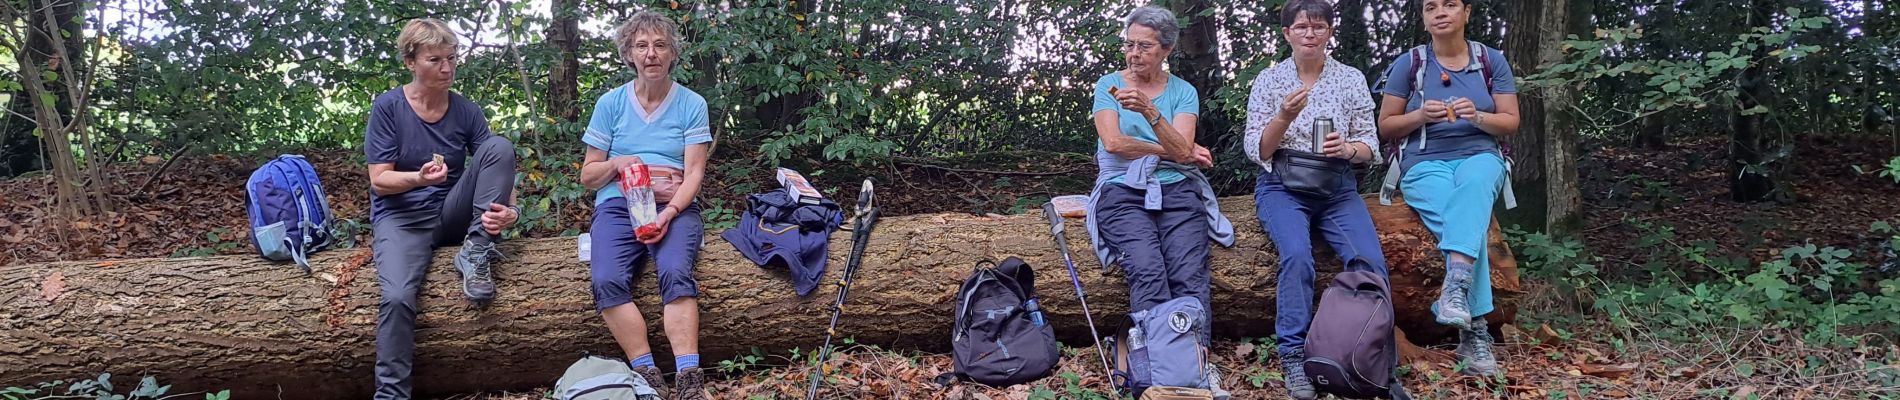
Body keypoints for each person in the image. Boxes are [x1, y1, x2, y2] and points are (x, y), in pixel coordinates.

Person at [1241, 1, 1391, 397]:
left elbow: (1370, 145)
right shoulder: (1269, 82)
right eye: (1302, 27)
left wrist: (1347, 149)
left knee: (1370, 261)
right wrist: (1284, 118)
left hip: (1337, 186)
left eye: (1318, 27)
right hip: (1283, 184)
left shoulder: (1350, 78)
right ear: (1287, 33)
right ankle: (1292, 354)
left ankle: (1368, 349)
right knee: (1297, 256)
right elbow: (1257, 150)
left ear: (1329, 33)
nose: (1310, 34)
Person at [365, 18, 520, 400]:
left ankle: (477, 249)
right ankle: (391, 394)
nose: (447, 68)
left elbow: (495, 164)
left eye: (452, 58)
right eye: (435, 60)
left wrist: (511, 212)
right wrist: (417, 178)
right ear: (410, 62)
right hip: (401, 220)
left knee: (499, 145)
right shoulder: (388, 108)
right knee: (398, 297)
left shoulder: (465, 110)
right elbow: (380, 179)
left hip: (450, 214)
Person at [1375, 0, 1522, 378]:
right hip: (1424, 163)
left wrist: (1478, 115)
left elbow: (1510, 121)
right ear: (1424, 18)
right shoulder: (1410, 64)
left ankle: (1455, 292)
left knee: (1473, 186)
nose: (1440, 12)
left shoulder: (1491, 61)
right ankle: (1476, 334)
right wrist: (1421, 114)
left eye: (1450, 5)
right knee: (1466, 225)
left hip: (1480, 156)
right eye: (1430, 7)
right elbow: (1386, 126)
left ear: (1467, 12)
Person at [578, 10, 714, 400]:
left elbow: (693, 175)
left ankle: (689, 377)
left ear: (672, 54)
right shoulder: (610, 104)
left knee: (674, 271)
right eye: (641, 46)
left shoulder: (691, 103)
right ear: (629, 55)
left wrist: (670, 213)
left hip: (674, 205)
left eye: (660, 45)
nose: (651, 54)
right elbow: (588, 176)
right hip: (619, 206)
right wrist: (619, 163)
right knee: (606, 280)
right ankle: (646, 370)